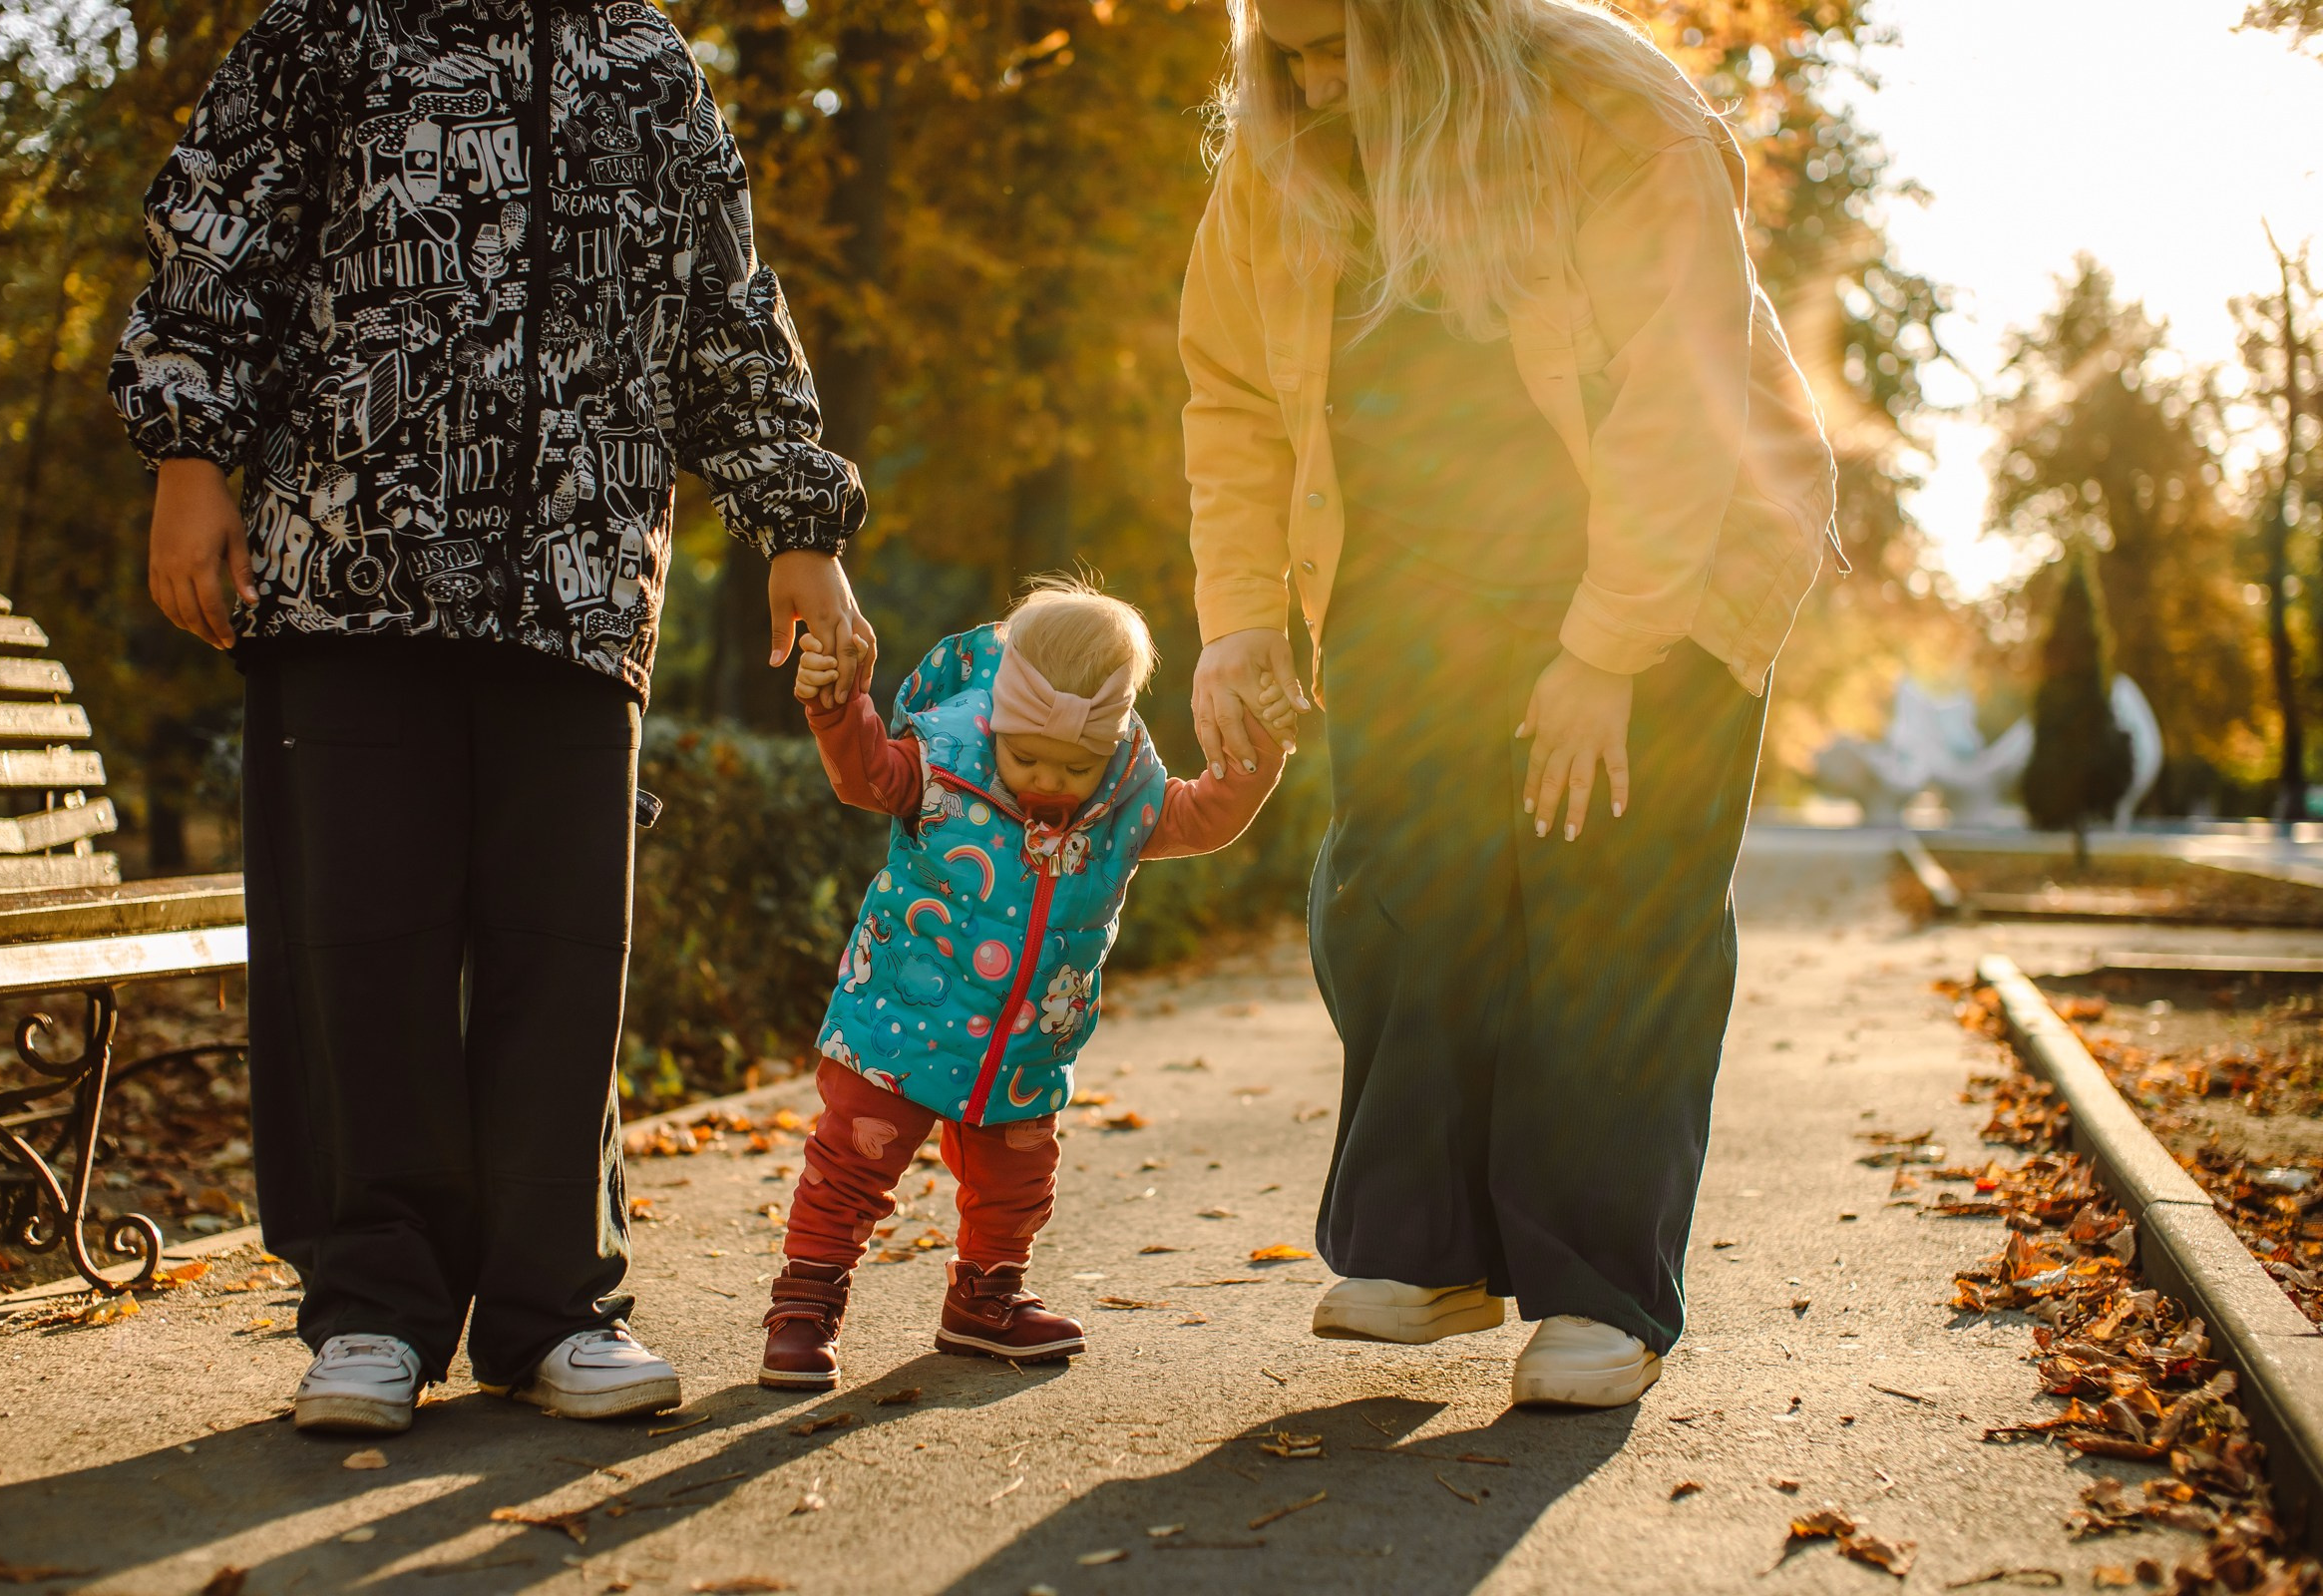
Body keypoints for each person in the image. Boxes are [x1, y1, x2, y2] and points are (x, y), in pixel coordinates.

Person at [110, 0, 870, 1435]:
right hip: (346, 568)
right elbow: (221, 224)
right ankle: (370, 1309)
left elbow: (724, 303)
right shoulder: (327, 30)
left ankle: (553, 1306)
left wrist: (797, 526)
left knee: (561, 954)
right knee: (362, 954)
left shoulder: (646, 64)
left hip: (578, 588)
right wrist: (189, 449)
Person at [1179, 0, 1839, 1406]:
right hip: (1412, 573)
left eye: (1332, 50)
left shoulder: (1615, 114)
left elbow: (1679, 399)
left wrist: (1608, 650)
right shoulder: (1284, 140)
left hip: (1668, 543)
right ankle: (1425, 1255)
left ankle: (1603, 1295)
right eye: (1279, 56)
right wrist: (1239, 618)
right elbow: (1230, 390)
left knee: (1608, 902)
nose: (1306, 85)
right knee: (1401, 887)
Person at [757, 581, 1284, 1389]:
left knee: (1017, 1183)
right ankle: (806, 1302)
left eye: (1075, 763)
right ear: (997, 720)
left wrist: (1255, 757)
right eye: (1027, 754)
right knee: (850, 1167)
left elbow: (1202, 817)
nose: (1049, 778)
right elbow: (865, 774)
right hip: (899, 1019)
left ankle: (987, 1295)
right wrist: (837, 709)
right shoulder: (942, 760)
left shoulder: (1126, 796)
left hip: (1026, 1046)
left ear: (1110, 745)